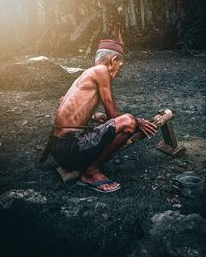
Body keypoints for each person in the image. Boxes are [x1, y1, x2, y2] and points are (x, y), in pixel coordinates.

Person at [49, 39, 158, 193]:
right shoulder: (101, 70)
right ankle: (90, 172)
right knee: (128, 121)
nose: (119, 72)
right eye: (120, 66)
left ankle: (86, 168)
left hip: (58, 148)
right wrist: (138, 121)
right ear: (113, 60)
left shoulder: (85, 75)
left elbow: (64, 103)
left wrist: (93, 116)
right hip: (69, 149)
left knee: (125, 120)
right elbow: (113, 114)